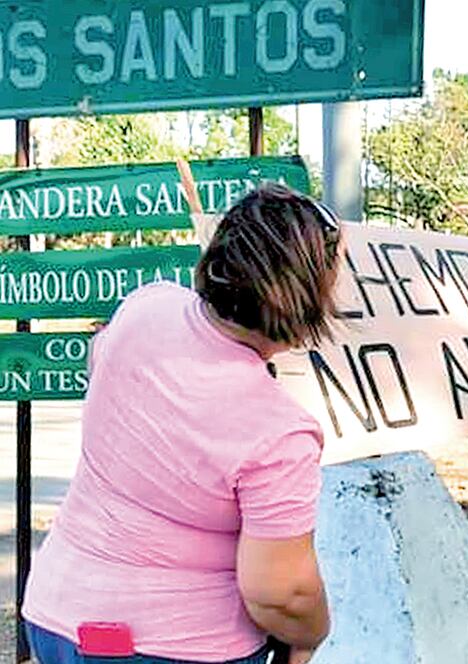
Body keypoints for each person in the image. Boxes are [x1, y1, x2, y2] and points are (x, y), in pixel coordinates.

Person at [23, 183, 342, 664]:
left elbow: (98, 361)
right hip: (177, 647)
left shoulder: (145, 306)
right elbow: (281, 593)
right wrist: (313, 633)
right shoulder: (280, 432)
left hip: (55, 617)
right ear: (306, 301)